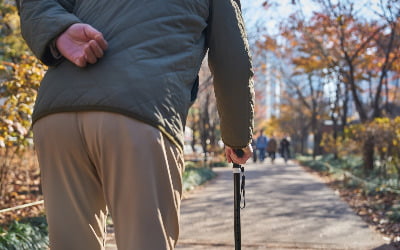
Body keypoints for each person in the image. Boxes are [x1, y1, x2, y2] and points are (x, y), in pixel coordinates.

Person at [18, 0, 254, 249]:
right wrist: (237, 138)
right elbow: (233, 62)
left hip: (57, 116)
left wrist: (58, 29)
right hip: (143, 112)